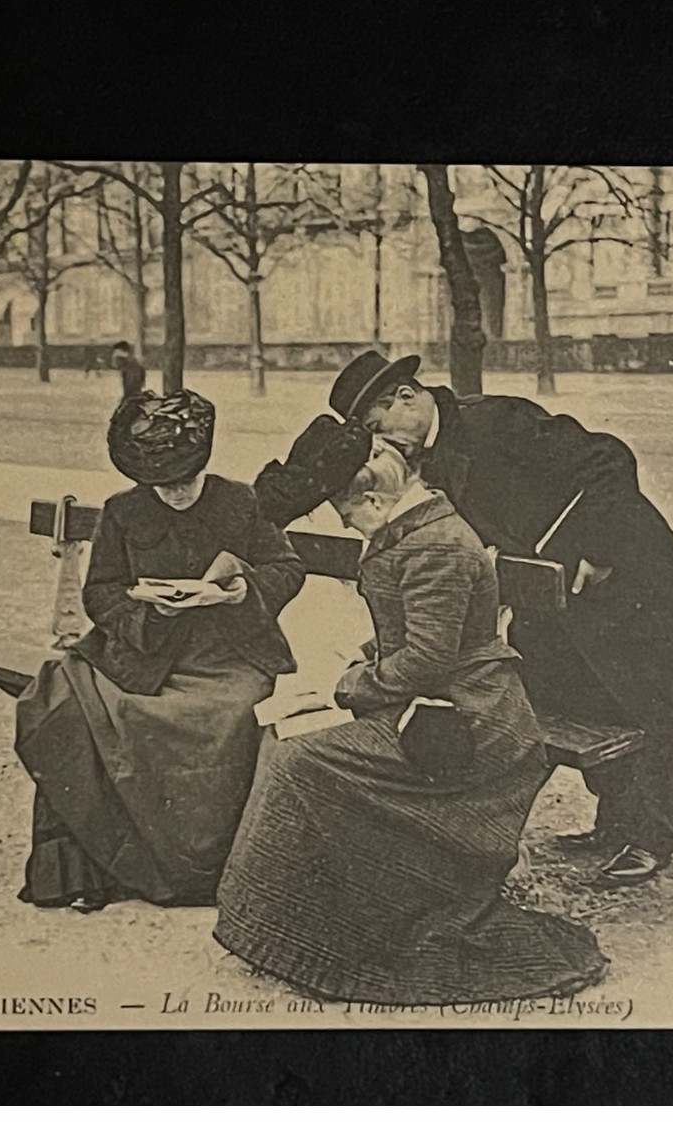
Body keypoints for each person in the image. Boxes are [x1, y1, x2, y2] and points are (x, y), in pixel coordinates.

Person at [216, 424, 608, 1005]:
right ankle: (317, 924)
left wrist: (352, 686)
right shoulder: (410, 530)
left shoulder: (438, 546)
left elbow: (428, 658)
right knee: (283, 744)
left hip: (473, 719)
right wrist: (365, 665)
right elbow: (412, 641)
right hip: (426, 705)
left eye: (344, 513)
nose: (344, 524)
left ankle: (335, 935)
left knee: (300, 763)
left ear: (373, 500)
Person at [327, 350, 673, 887]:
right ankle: (614, 821)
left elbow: (609, 460)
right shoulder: (426, 458)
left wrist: (595, 550)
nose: (384, 442)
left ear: (407, 398)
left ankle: (652, 836)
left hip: (621, 578)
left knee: (645, 701)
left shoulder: (499, 420)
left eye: (378, 425)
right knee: (575, 698)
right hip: (548, 597)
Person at [12, 390, 305, 912]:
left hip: (227, 655)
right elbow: (99, 591)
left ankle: (212, 869)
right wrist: (147, 610)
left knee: (229, 716)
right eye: (159, 485)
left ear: (201, 465)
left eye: (181, 482)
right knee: (65, 704)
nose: (171, 494)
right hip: (142, 655)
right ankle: (93, 869)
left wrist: (243, 588)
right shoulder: (123, 512)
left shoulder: (240, 501)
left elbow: (286, 567)